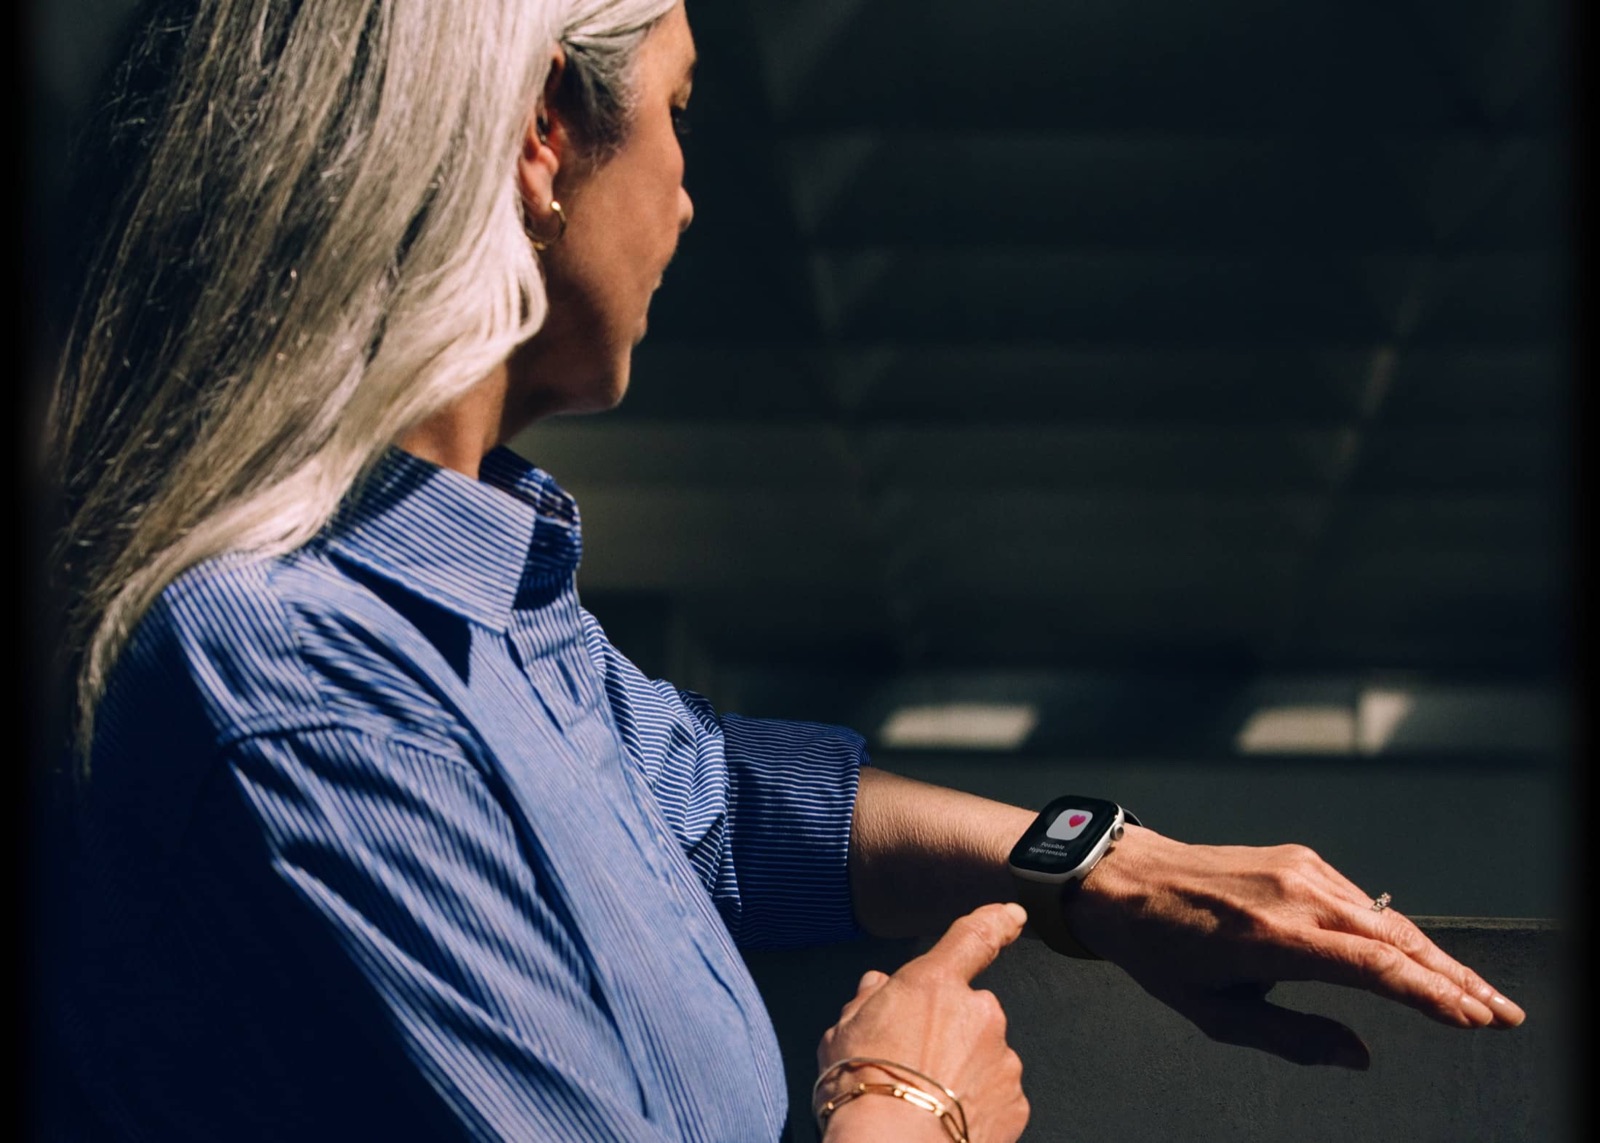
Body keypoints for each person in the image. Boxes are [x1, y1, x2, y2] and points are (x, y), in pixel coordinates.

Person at [32, 1, 1523, 1141]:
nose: (687, 193)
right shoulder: (298, 687)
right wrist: (902, 1103)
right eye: (681, 111)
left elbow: (720, 800)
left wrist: (1100, 863)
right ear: (546, 133)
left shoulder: (455, 595)